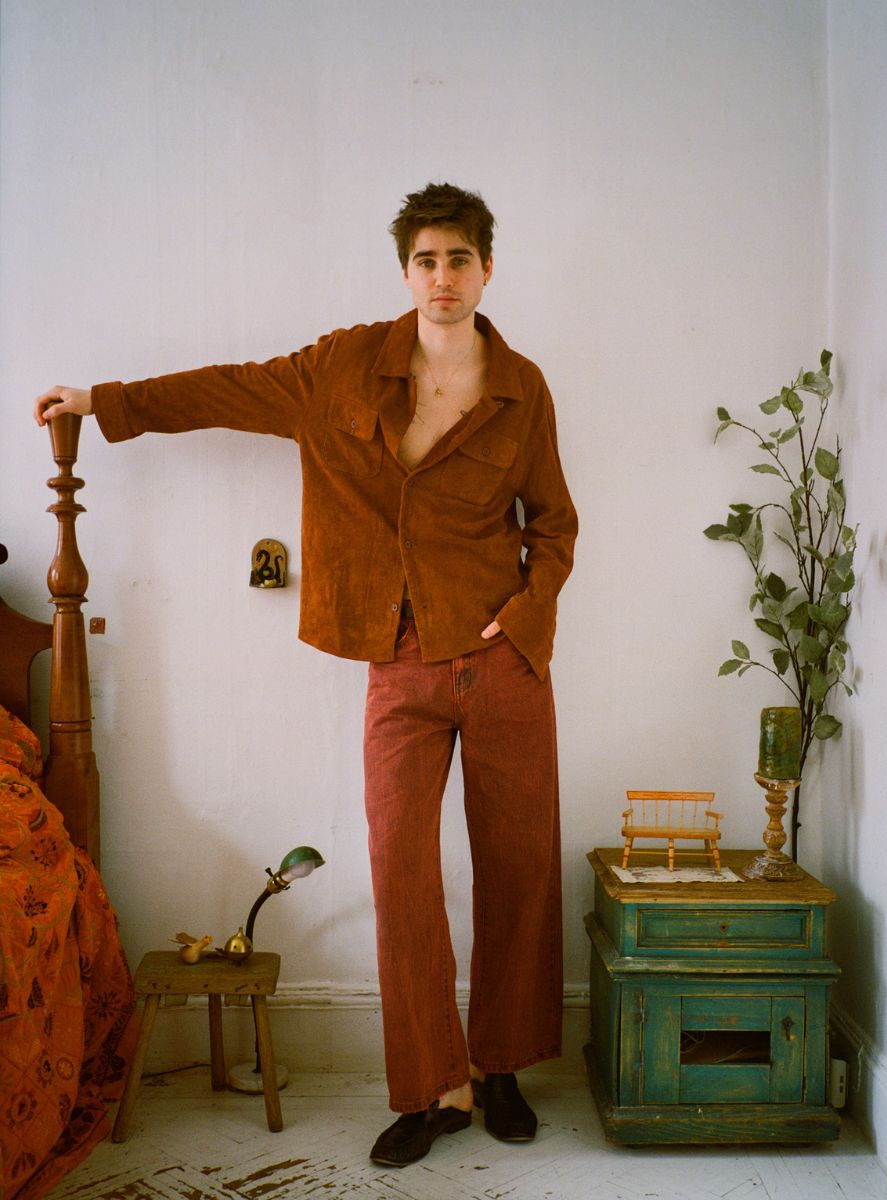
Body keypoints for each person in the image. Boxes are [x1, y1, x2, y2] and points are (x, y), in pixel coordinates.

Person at [34, 182, 577, 1167]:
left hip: (501, 664)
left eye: (460, 259)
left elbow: (555, 523)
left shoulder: (522, 386)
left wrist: (523, 617)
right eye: (426, 260)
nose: (443, 277)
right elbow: (223, 387)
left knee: (520, 870)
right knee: (403, 874)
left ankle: (500, 1066)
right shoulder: (339, 368)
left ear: (487, 269)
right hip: (398, 662)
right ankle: (434, 1087)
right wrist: (102, 403)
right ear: (405, 271)